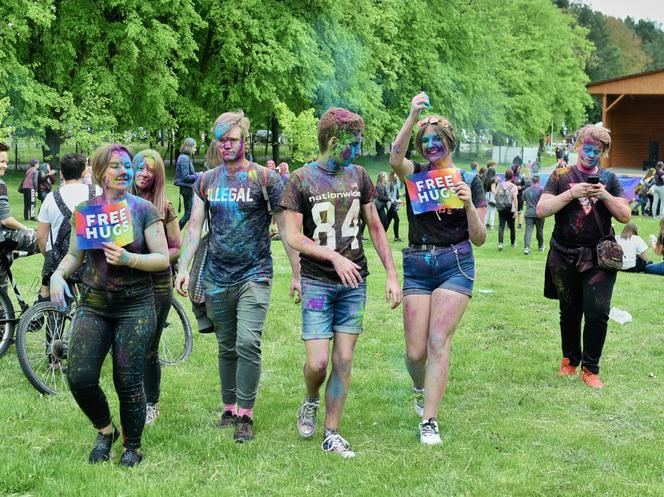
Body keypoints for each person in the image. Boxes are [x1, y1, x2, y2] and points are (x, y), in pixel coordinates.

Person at [280, 106, 401, 458]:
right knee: (318, 363)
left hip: (354, 283)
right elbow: (292, 236)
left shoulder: (359, 176)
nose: (359, 149)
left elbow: (376, 227)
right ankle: (311, 398)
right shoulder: (300, 180)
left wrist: (392, 274)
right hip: (318, 282)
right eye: (354, 143)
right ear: (334, 142)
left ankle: (331, 432)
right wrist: (333, 257)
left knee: (344, 359)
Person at [174, 110, 299, 443]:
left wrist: (297, 273)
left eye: (231, 139)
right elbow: (195, 227)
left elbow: (286, 229)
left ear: (245, 141)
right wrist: (184, 267)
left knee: (248, 342)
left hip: (255, 273)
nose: (226, 145)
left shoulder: (265, 179)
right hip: (216, 276)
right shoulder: (206, 181)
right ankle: (228, 408)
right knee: (226, 346)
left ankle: (246, 414)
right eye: (220, 140)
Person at [50, 143, 169, 467]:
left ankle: (133, 445)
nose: (125, 172)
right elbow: (75, 256)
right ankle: (106, 431)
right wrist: (59, 275)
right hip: (94, 303)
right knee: (80, 375)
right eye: (116, 166)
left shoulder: (143, 210)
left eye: (127, 165)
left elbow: (161, 259)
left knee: (127, 379)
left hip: (136, 305)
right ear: (100, 172)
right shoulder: (86, 211)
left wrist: (130, 258)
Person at [389, 93, 486, 445]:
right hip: (417, 263)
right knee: (415, 353)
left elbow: (480, 238)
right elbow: (395, 157)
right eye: (425, 141)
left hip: (455, 262)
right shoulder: (416, 173)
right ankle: (420, 385)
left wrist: (468, 204)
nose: (431, 146)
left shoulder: (470, 179)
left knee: (437, 341)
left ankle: (429, 421)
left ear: (449, 143)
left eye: (437, 141)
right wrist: (413, 115)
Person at [536, 124, 630, 389]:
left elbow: (625, 215)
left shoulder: (610, 179)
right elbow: (542, 209)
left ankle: (591, 368)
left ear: (603, 152)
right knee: (569, 310)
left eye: (597, 151)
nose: (591, 154)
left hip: (599, 257)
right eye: (587, 148)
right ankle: (569, 360)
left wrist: (604, 195)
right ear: (578, 146)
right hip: (563, 254)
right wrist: (571, 193)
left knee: (598, 311)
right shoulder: (561, 175)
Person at [131, 149, 182, 425]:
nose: (144, 173)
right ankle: (132, 398)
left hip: (157, 285)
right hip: (125, 284)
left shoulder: (164, 206)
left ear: (158, 175)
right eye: (140, 167)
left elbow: (177, 247)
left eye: (150, 169)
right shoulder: (121, 202)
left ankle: (152, 403)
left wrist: (154, 259)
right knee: (127, 344)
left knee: (149, 346)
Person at [36, 153, 100, 301]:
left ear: (61, 174)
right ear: (85, 172)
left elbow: (40, 237)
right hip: (91, 262)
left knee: (55, 308)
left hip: (57, 262)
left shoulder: (51, 197)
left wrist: (50, 256)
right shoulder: (97, 193)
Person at [0, 142, 39, 292]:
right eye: (2, 162)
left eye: (6, 162)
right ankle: (47, 288)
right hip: (3, 236)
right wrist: (28, 229)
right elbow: (5, 220)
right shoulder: (0, 185)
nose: (5, 166)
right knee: (46, 240)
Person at [174, 137, 198, 229]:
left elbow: (188, 174)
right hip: (186, 189)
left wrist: (197, 174)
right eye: (194, 147)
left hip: (187, 189)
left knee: (190, 213)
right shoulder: (184, 158)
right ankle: (175, 233)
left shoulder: (184, 157)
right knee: (189, 213)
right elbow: (186, 177)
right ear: (189, 147)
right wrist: (198, 176)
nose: (195, 149)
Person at [496, 168, 518, 250]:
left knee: (501, 226)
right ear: (512, 177)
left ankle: (500, 243)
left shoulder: (499, 185)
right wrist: (516, 211)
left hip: (501, 208)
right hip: (510, 209)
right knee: (512, 226)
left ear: (505, 176)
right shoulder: (514, 187)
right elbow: (515, 199)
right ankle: (513, 243)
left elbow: (496, 195)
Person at [523, 175, 545, 254]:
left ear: (532, 181)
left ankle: (527, 247)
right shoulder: (542, 189)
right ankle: (540, 246)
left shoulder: (526, 190)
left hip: (529, 213)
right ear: (538, 181)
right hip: (539, 213)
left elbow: (525, 202)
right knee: (539, 230)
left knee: (528, 230)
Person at [385, 171, 402, 242]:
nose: (397, 175)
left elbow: (397, 193)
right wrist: (392, 200)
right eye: (396, 174)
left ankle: (380, 235)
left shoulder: (397, 182)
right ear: (392, 175)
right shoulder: (389, 183)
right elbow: (387, 194)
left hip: (396, 203)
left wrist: (399, 195)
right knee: (397, 220)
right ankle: (396, 237)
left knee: (388, 221)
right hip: (391, 204)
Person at [483, 163, 498, 231]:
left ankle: (484, 225)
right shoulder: (493, 180)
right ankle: (492, 226)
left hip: (486, 195)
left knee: (487, 211)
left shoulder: (485, 179)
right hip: (492, 196)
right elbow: (493, 190)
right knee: (492, 211)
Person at [511, 163, 525, 229]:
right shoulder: (510, 176)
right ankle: (510, 224)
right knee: (511, 210)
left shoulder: (521, 176)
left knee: (520, 210)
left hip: (519, 196)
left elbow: (525, 186)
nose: (519, 169)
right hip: (511, 196)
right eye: (519, 168)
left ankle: (519, 225)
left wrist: (521, 187)